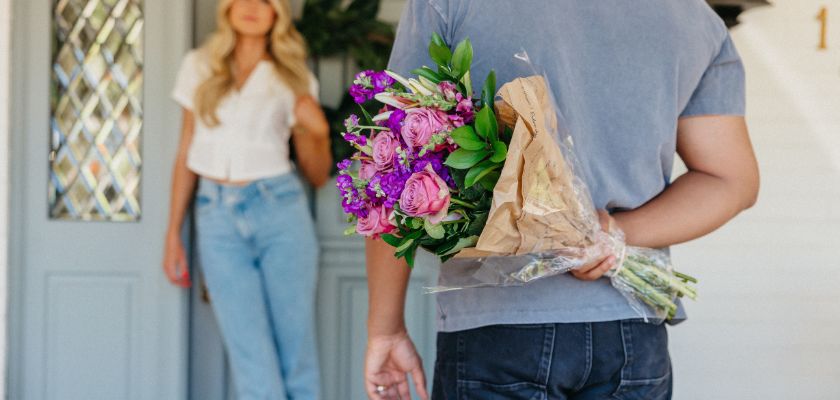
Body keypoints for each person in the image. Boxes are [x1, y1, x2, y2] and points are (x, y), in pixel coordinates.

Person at [364, 1, 760, 399]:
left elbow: (394, 168)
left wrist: (386, 328)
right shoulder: (692, 16)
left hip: (498, 330)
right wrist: (613, 235)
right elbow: (730, 180)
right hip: (629, 331)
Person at [162, 0, 330, 398]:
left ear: (278, 11)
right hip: (215, 215)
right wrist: (173, 233)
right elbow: (186, 150)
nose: (252, 6)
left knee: (296, 352)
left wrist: (319, 132)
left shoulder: (294, 77)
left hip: (279, 210)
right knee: (249, 356)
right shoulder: (199, 65)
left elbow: (318, 174)